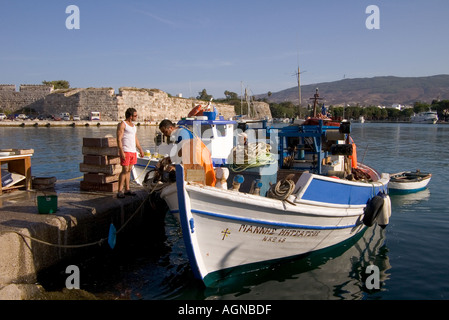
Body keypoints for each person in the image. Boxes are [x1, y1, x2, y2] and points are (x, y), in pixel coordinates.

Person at [158, 119, 216, 187]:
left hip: (198, 157)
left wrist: (175, 166)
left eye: (165, 132)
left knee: (198, 183)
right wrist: (171, 158)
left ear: (171, 128)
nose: (165, 135)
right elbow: (180, 151)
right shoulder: (178, 133)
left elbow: (186, 151)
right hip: (197, 155)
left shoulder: (182, 134)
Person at [116, 108, 144, 198]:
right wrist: (121, 151)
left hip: (133, 151)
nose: (137, 117)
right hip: (126, 150)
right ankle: (120, 190)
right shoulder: (122, 124)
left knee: (129, 170)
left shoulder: (133, 126)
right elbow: (119, 139)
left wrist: (140, 148)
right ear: (130, 116)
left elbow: (135, 138)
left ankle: (127, 189)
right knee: (124, 170)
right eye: (135, 115)